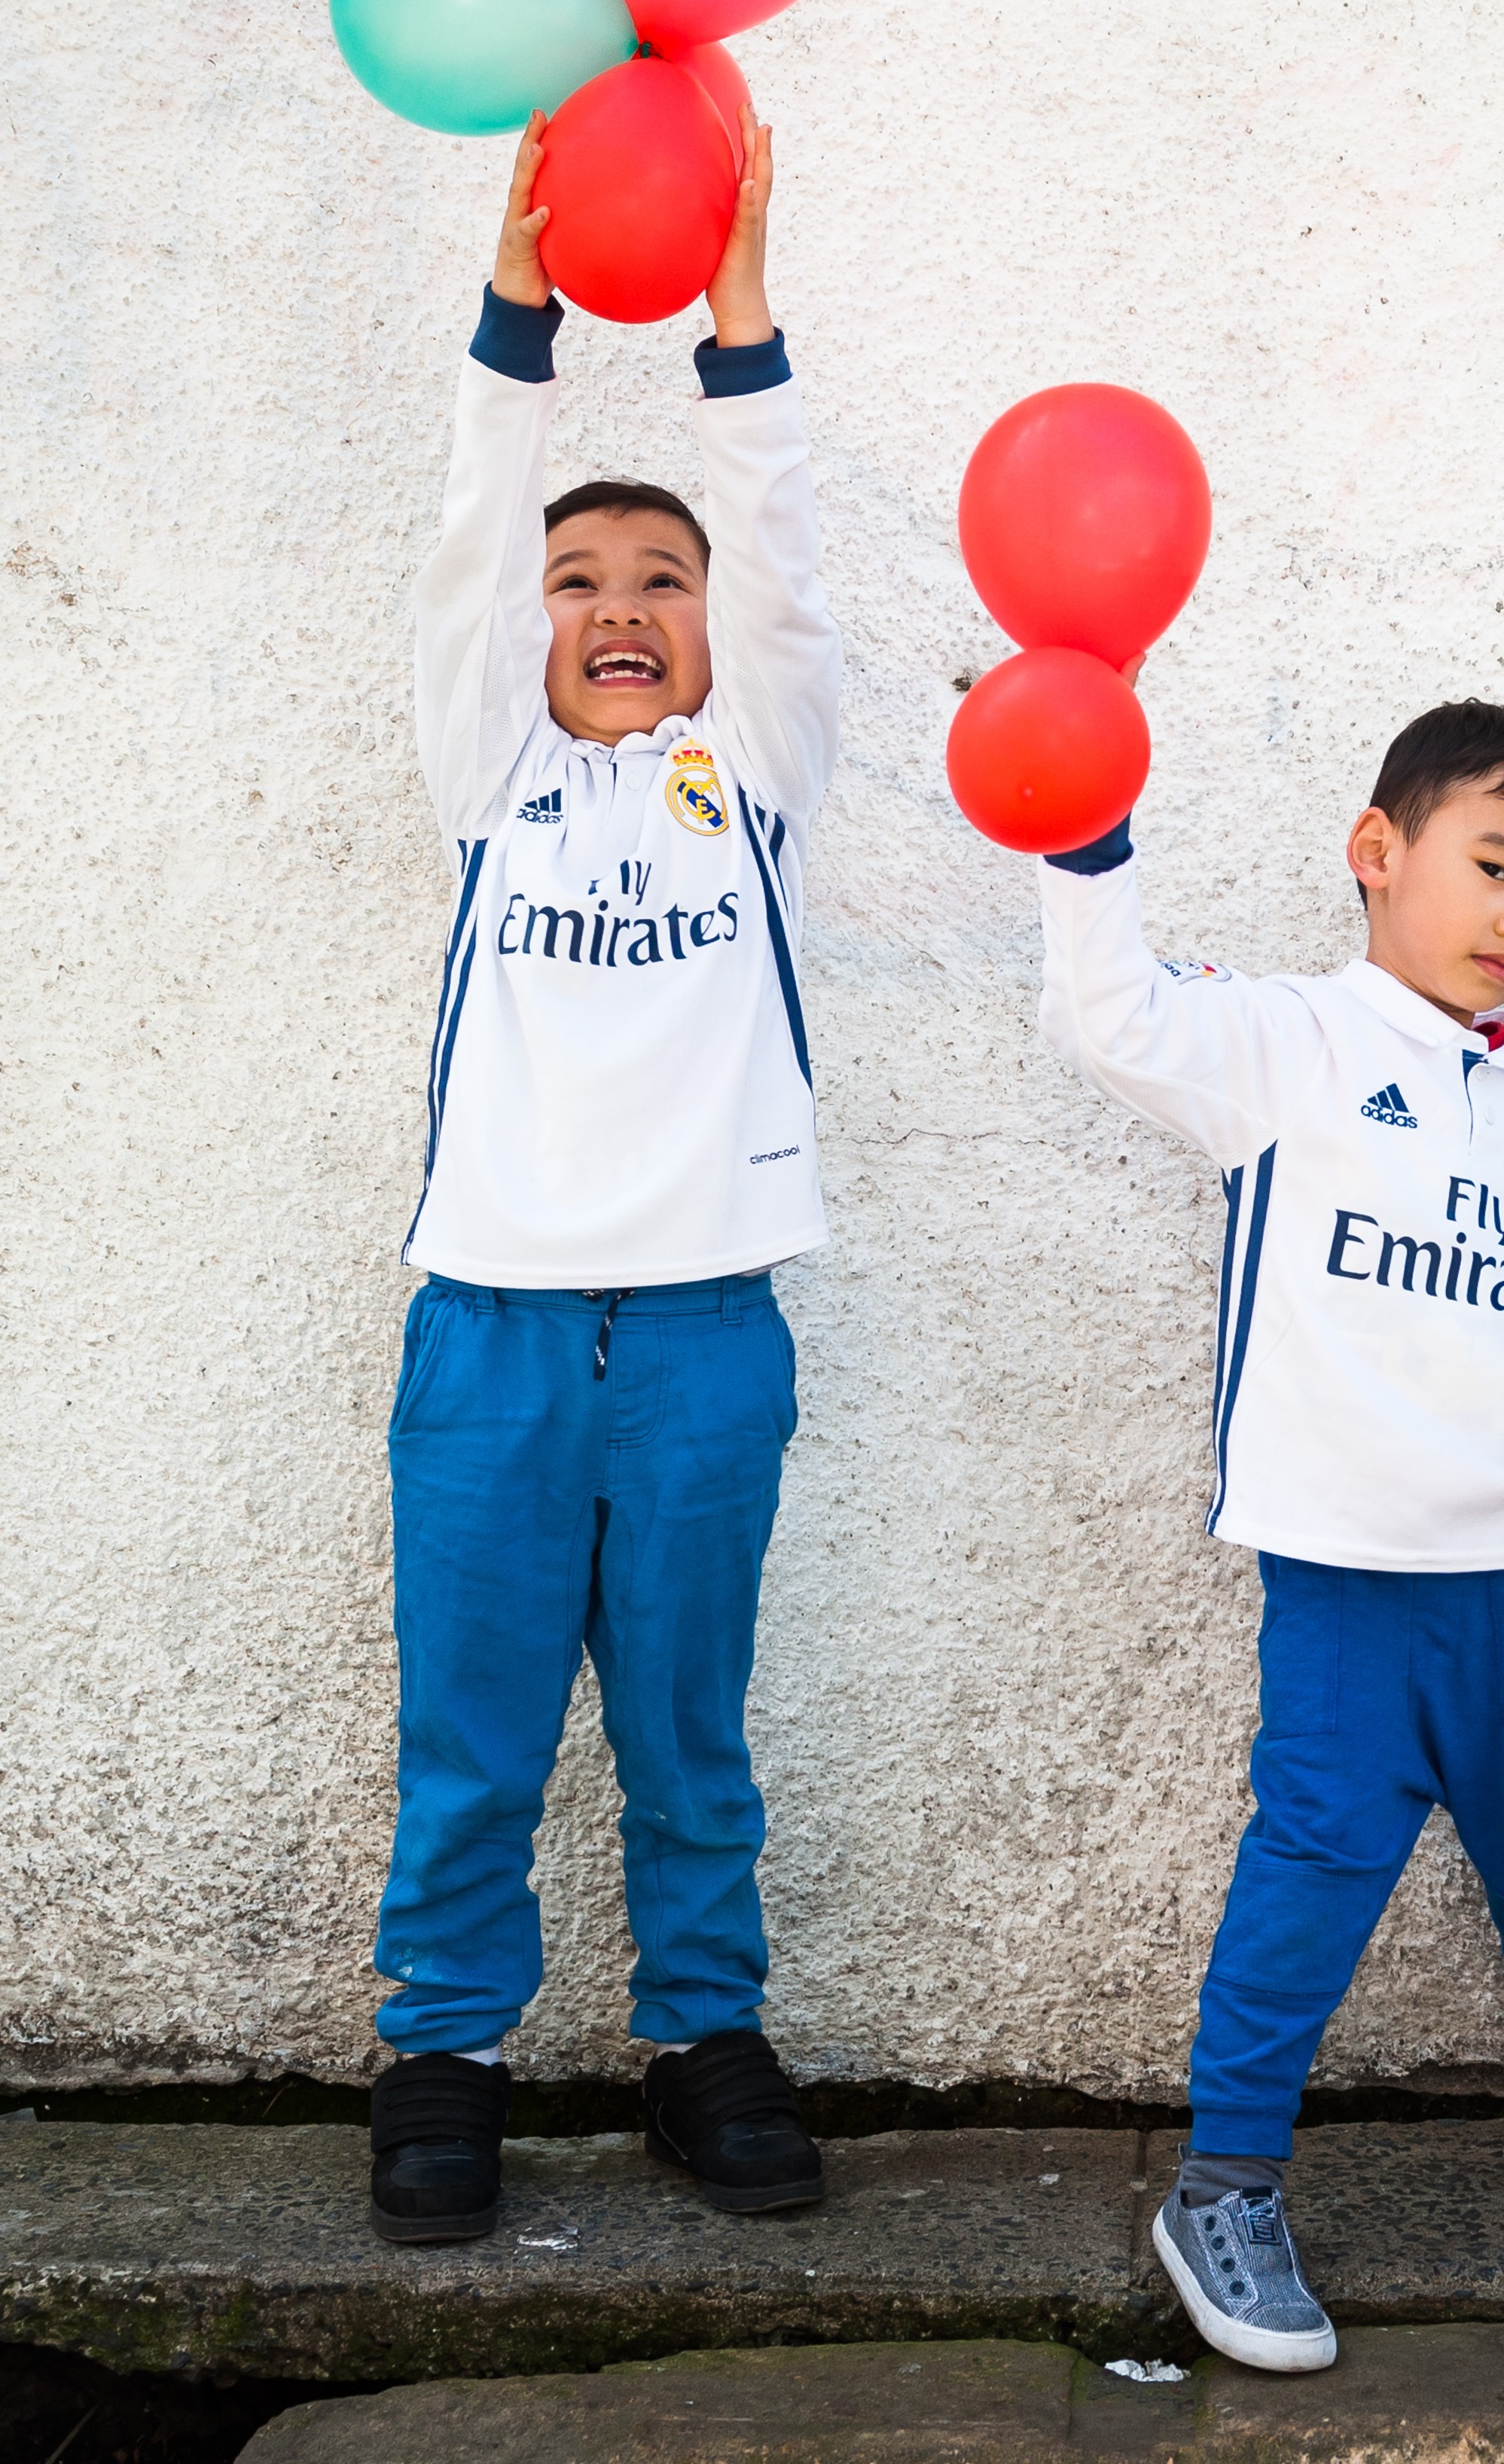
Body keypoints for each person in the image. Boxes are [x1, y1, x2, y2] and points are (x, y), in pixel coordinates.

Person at [1037, 702, 1504, 2371]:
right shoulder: (1293, 1043)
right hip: (1345, 1575)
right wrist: (1083, 828)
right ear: (1375, 851)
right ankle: (1227, 2184)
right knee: (1311, 1870)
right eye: (1492, 865)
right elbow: (1108, 1013)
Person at [365, 111, 841, 2246]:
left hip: (707, 1336)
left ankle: (700, 2038)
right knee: (470, 1731)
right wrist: (518, 309)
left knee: (684, 1726)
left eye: (663, 581)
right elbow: (472, 537)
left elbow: (787, 548)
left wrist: (739, 311)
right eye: (586, 585)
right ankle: (444, 2051)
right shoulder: (493, 782)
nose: (623, 606)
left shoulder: (753, 782)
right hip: (489, 1331)